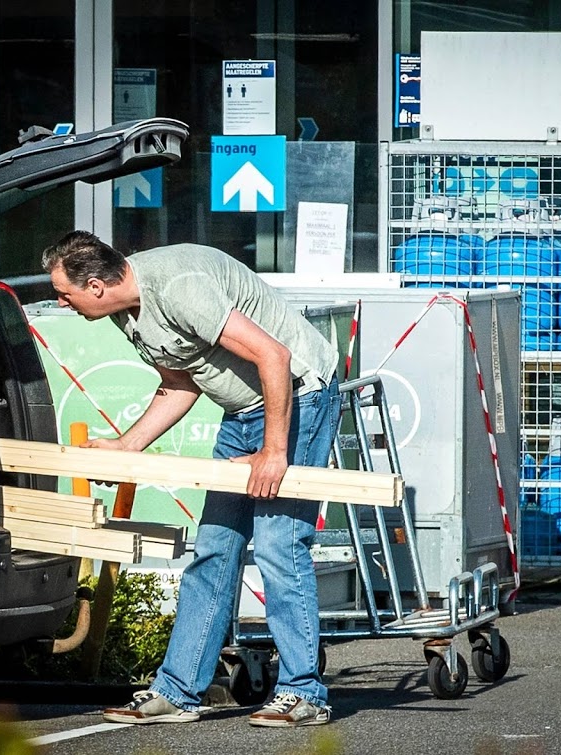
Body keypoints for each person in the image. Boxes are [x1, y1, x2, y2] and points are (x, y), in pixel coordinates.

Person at [42, 231, 341, 728]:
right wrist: (126, 446)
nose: (60, 302)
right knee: (214, 550)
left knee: (278, 545)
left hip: (299, 398)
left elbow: (276, 357)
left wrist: (273, 452)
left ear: (95, 285)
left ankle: (304, 692)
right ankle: (178, 692)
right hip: (241, 410)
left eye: (65, 294)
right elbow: (179, 383)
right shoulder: (124, 310)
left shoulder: (179, 288)